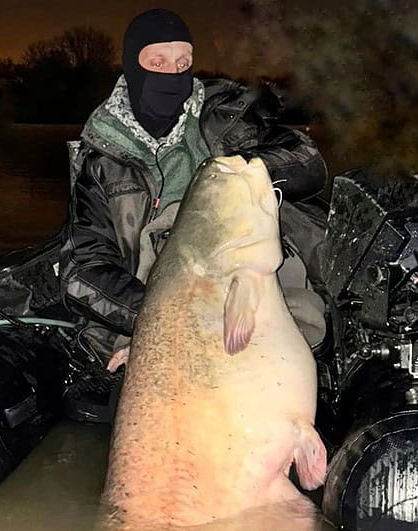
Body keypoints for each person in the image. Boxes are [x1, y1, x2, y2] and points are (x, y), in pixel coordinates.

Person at [59, 7, 328, 386]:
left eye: (183, 62)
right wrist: (163, 320)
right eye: (158, 62)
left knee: (291, 353)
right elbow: (82, 273)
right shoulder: (101, 162)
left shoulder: (226, 116)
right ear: (132, 69)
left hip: (251, 281)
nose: (172, 74)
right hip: (158, 296)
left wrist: (239, 175)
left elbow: (308, 164)